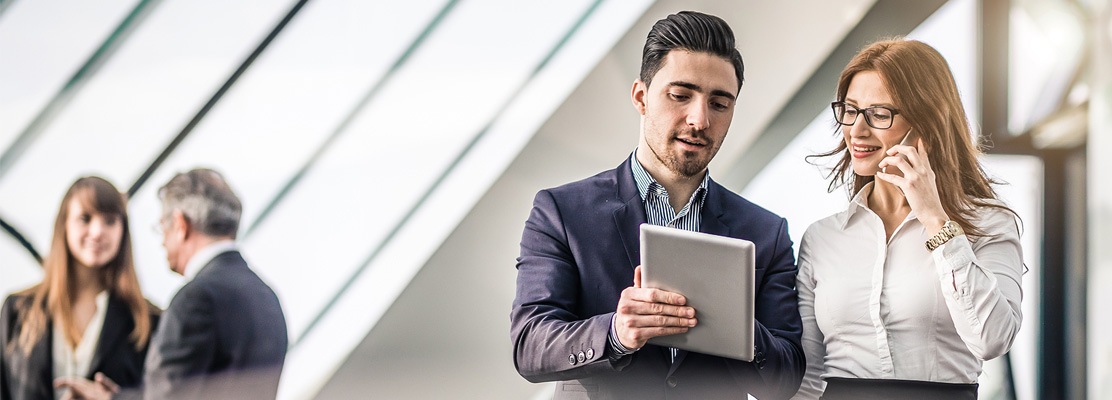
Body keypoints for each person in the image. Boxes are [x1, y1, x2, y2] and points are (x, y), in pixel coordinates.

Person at [510, 11, 805, 399]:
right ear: (641, 96)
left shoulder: (766, 232)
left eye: (719, 103)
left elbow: (785, 380)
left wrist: (738, 327)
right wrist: (616, 332)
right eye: (680, 96)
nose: (699, 119)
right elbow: (530, 344)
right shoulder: (561, 212)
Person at [793, 38, 1023, 400]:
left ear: (927, 124)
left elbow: (993, 339)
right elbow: (806, 376)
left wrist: (935, 219)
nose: (857, 130)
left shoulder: (989, 224)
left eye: (879, 114)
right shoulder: (822, 238)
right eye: (850, 110)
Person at [57, 168, 288, 400]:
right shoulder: (266, 298)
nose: (163, 243)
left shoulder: (197, 299)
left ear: (180, 225)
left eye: (162, 228)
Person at [1, 177, 158, 400]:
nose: (97, 232)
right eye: (85, 218)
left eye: (110, 221)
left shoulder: (146, 320)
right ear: (63, 225)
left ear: (123, 231)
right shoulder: (17, 310)